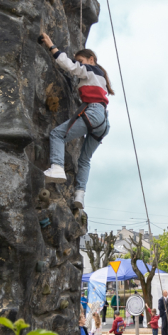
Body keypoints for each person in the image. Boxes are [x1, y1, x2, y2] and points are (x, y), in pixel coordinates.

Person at [39, 34, 112, 209]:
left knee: (57, 134)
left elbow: (70, 66)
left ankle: (57, 167)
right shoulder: (99, 76)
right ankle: (80, 194)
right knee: (84, 159)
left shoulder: (91, 70)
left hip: (93, 113)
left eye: (81, 60)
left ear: (91, 59)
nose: (79, 63)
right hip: (103, 122)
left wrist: (51, 46)